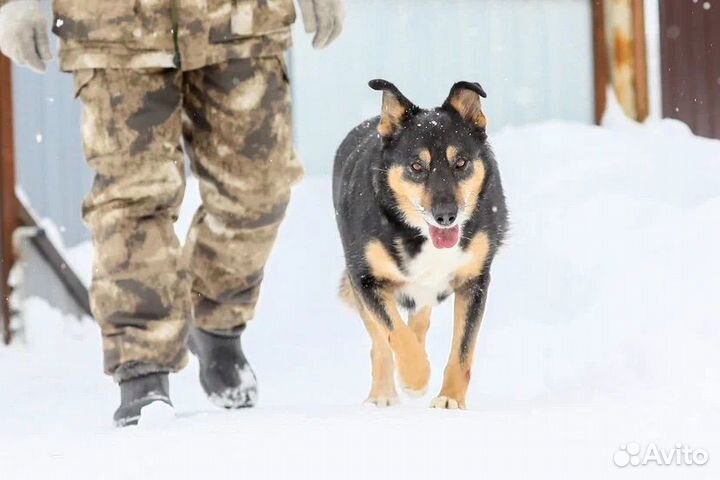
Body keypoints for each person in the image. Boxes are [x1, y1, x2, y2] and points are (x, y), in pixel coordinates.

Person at [0, 0, 344, 426]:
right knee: (133, 196)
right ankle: (142, 367)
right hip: (114, 27)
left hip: (241, 20)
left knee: (260, 187)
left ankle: (214, 316)